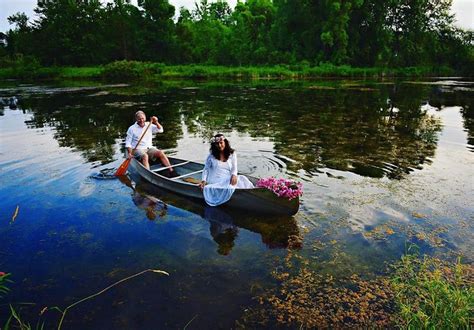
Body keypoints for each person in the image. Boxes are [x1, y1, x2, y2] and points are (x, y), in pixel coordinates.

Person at [199, 134, 254, 206]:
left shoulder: (232, 153)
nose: (219, 145)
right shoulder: (211, 155)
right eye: (217, 144)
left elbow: (234, 167)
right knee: (230, 185)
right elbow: (206, 169)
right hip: (215, 179)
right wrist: (203, 180)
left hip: (226, 177)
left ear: (225, 142)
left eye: (221, 143)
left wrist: (234, 174)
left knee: (242, 178)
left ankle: (251, 192)